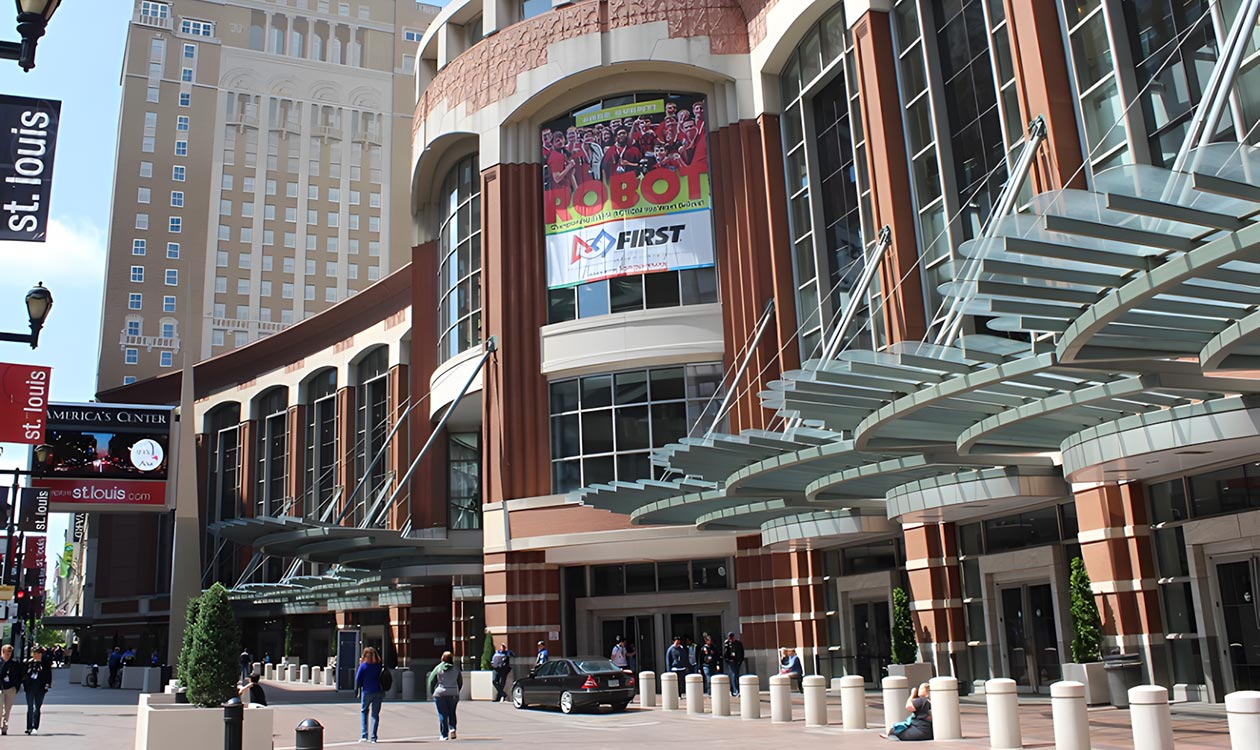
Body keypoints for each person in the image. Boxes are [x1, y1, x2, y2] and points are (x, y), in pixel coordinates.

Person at [428, 651, 462, 741]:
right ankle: (452, 728)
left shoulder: (438, 668)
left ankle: (444, 734)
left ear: (442, 658)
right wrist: (456, 690)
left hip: (440, 693)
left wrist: (433, 692)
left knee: (442, 714)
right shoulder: (456, 669)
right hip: (453, 693)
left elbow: (431, 680)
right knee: (452, 712)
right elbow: (460, 682)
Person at [355, 646, 386, 744]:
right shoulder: (379, 665)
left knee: (364, 711)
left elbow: (358, 679)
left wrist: (357, 689)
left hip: (367, 691)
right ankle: (374, 737)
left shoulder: (364, 666)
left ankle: (364, 735)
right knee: (375, 714)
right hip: (378, 691)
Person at [22, 647, 51, 735]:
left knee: (37, 708)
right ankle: (29, 727)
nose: (37, 655)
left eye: (39, 654)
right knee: (30, 707)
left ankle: (35, 727)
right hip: (30, 688)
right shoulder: (29, 663)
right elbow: (24, 674)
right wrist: (25, 684)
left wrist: (47, 686)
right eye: (35, 653)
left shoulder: (45, 664)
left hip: (40, 688)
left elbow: (48, 676)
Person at [0, 644, 20, 735]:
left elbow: (19, 676)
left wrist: (16, 687)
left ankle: (4, 727)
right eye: (7, 652)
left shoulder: (14, 664)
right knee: (0, 709)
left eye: (10, 652)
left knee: (7, 710)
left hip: (10, 689)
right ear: (2, 652)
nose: (8, 654)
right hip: (0, 688)